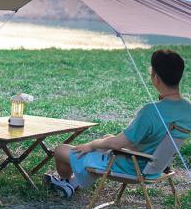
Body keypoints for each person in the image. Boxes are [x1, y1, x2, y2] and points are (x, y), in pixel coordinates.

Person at [45, 49, 191, 198]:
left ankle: (65, 183)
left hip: (133, 166)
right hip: (156, 165)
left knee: (61, 150)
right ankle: (73, 183)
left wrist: (92, 144)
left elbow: (116, 144)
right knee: (107, 138)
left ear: (156, 78)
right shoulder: (188, 109)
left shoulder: (152, 111)